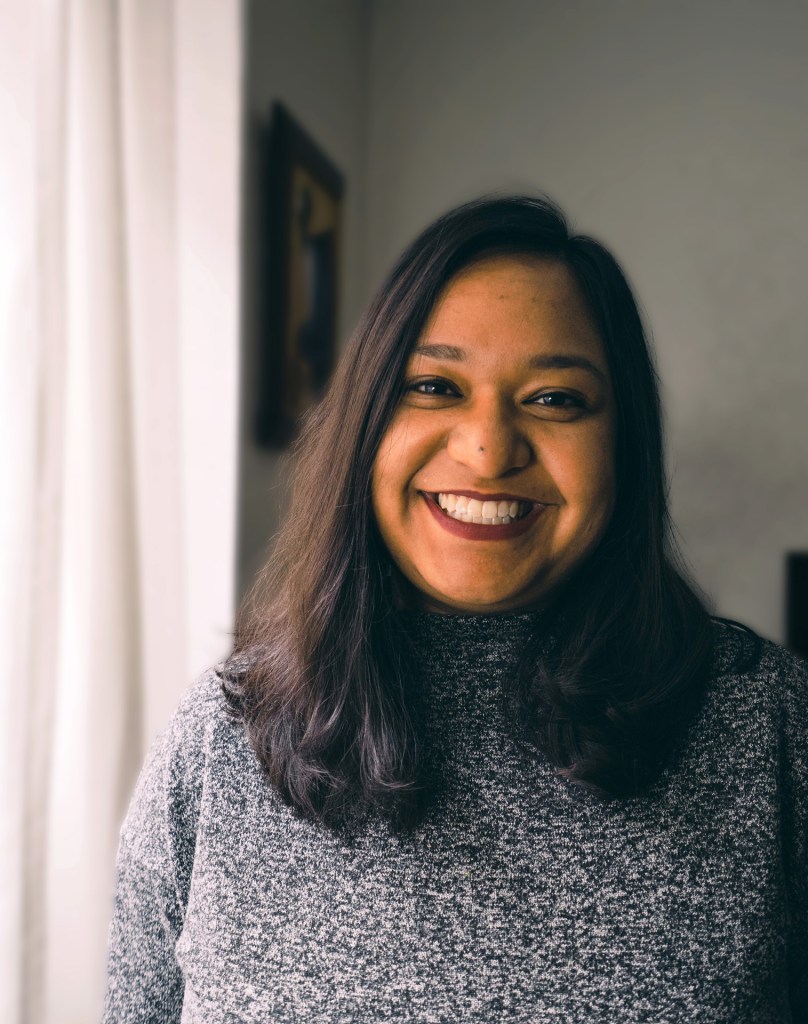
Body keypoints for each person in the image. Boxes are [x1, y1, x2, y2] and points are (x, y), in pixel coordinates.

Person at [101, 195, 807, 1022]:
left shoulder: (771, 725)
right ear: (366, 426)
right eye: (434, 386)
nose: (488, 448)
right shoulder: (222, 739)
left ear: (623, 445)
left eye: (555, 398)